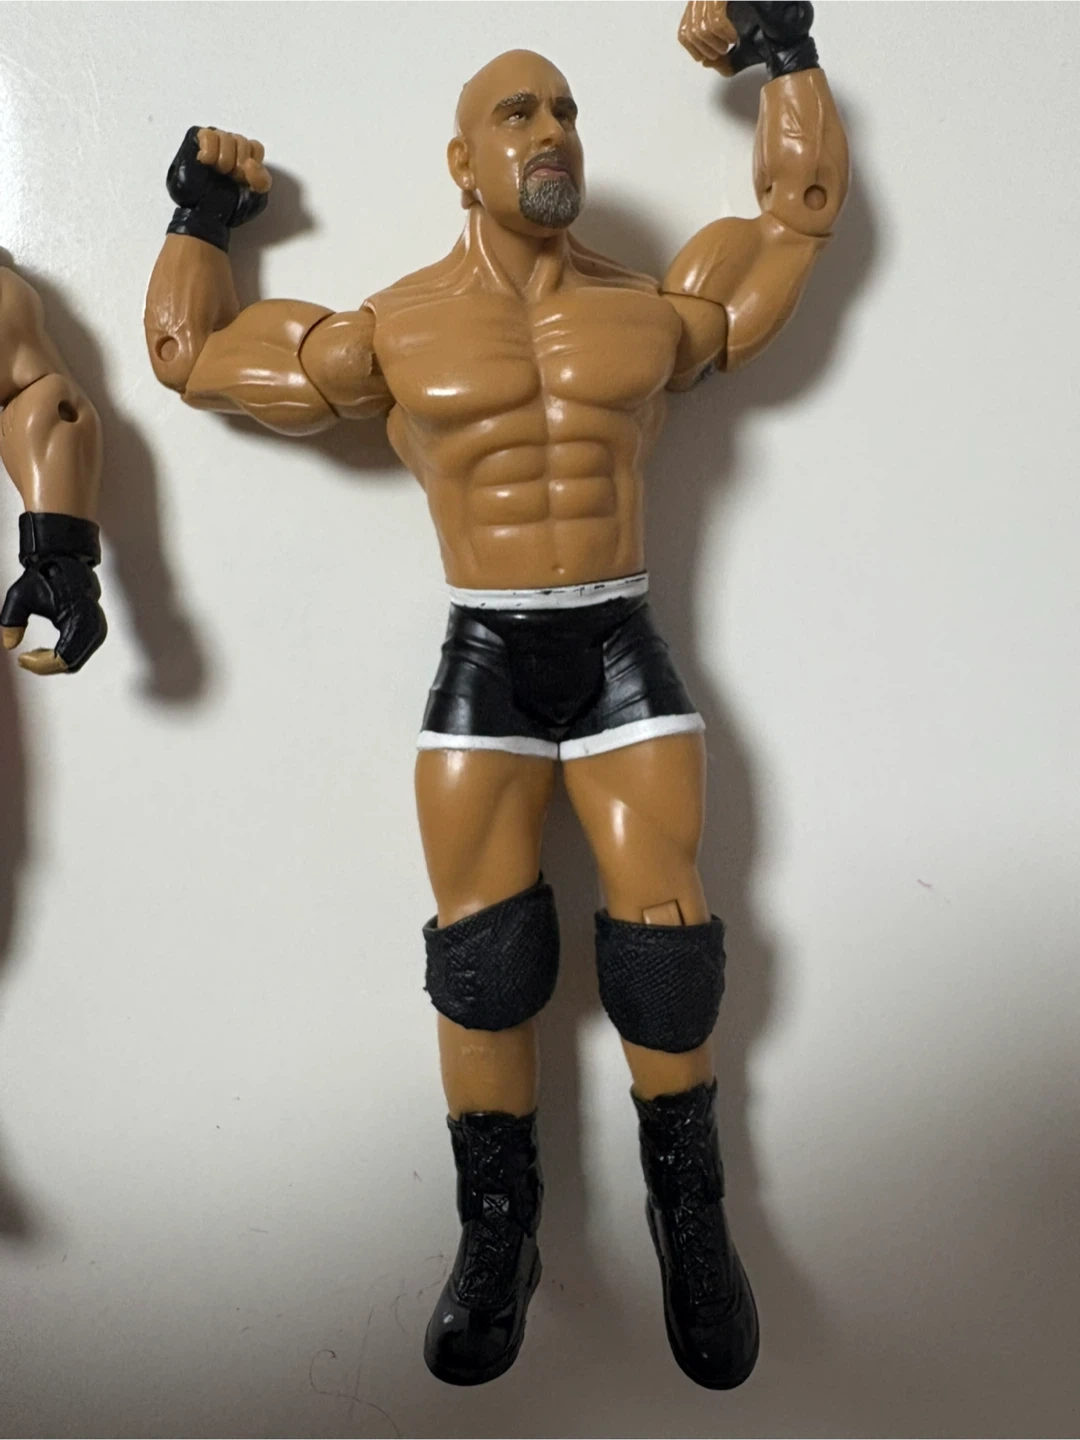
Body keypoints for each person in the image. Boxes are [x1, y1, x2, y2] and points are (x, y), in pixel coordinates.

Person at [143, 0, 848, 1389]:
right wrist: (201, 221)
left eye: (566, 109)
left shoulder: (646, 311)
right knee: (483, 963)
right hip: (487, 646)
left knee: (667, 949)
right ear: (463, 162)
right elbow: (192, 359)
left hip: (623, 639)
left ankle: (694, 1225)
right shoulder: (395, 331)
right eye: (518, 113)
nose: (552, 132)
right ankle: (497, 1234)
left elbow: (796, 225)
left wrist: (785, 52)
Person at [0, 266, 107, 675]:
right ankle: (63, 587)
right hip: (37, 412)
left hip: (44, 411)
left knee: (59, 559)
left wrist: (62, 581)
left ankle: (68, 594)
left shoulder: (41, 407)